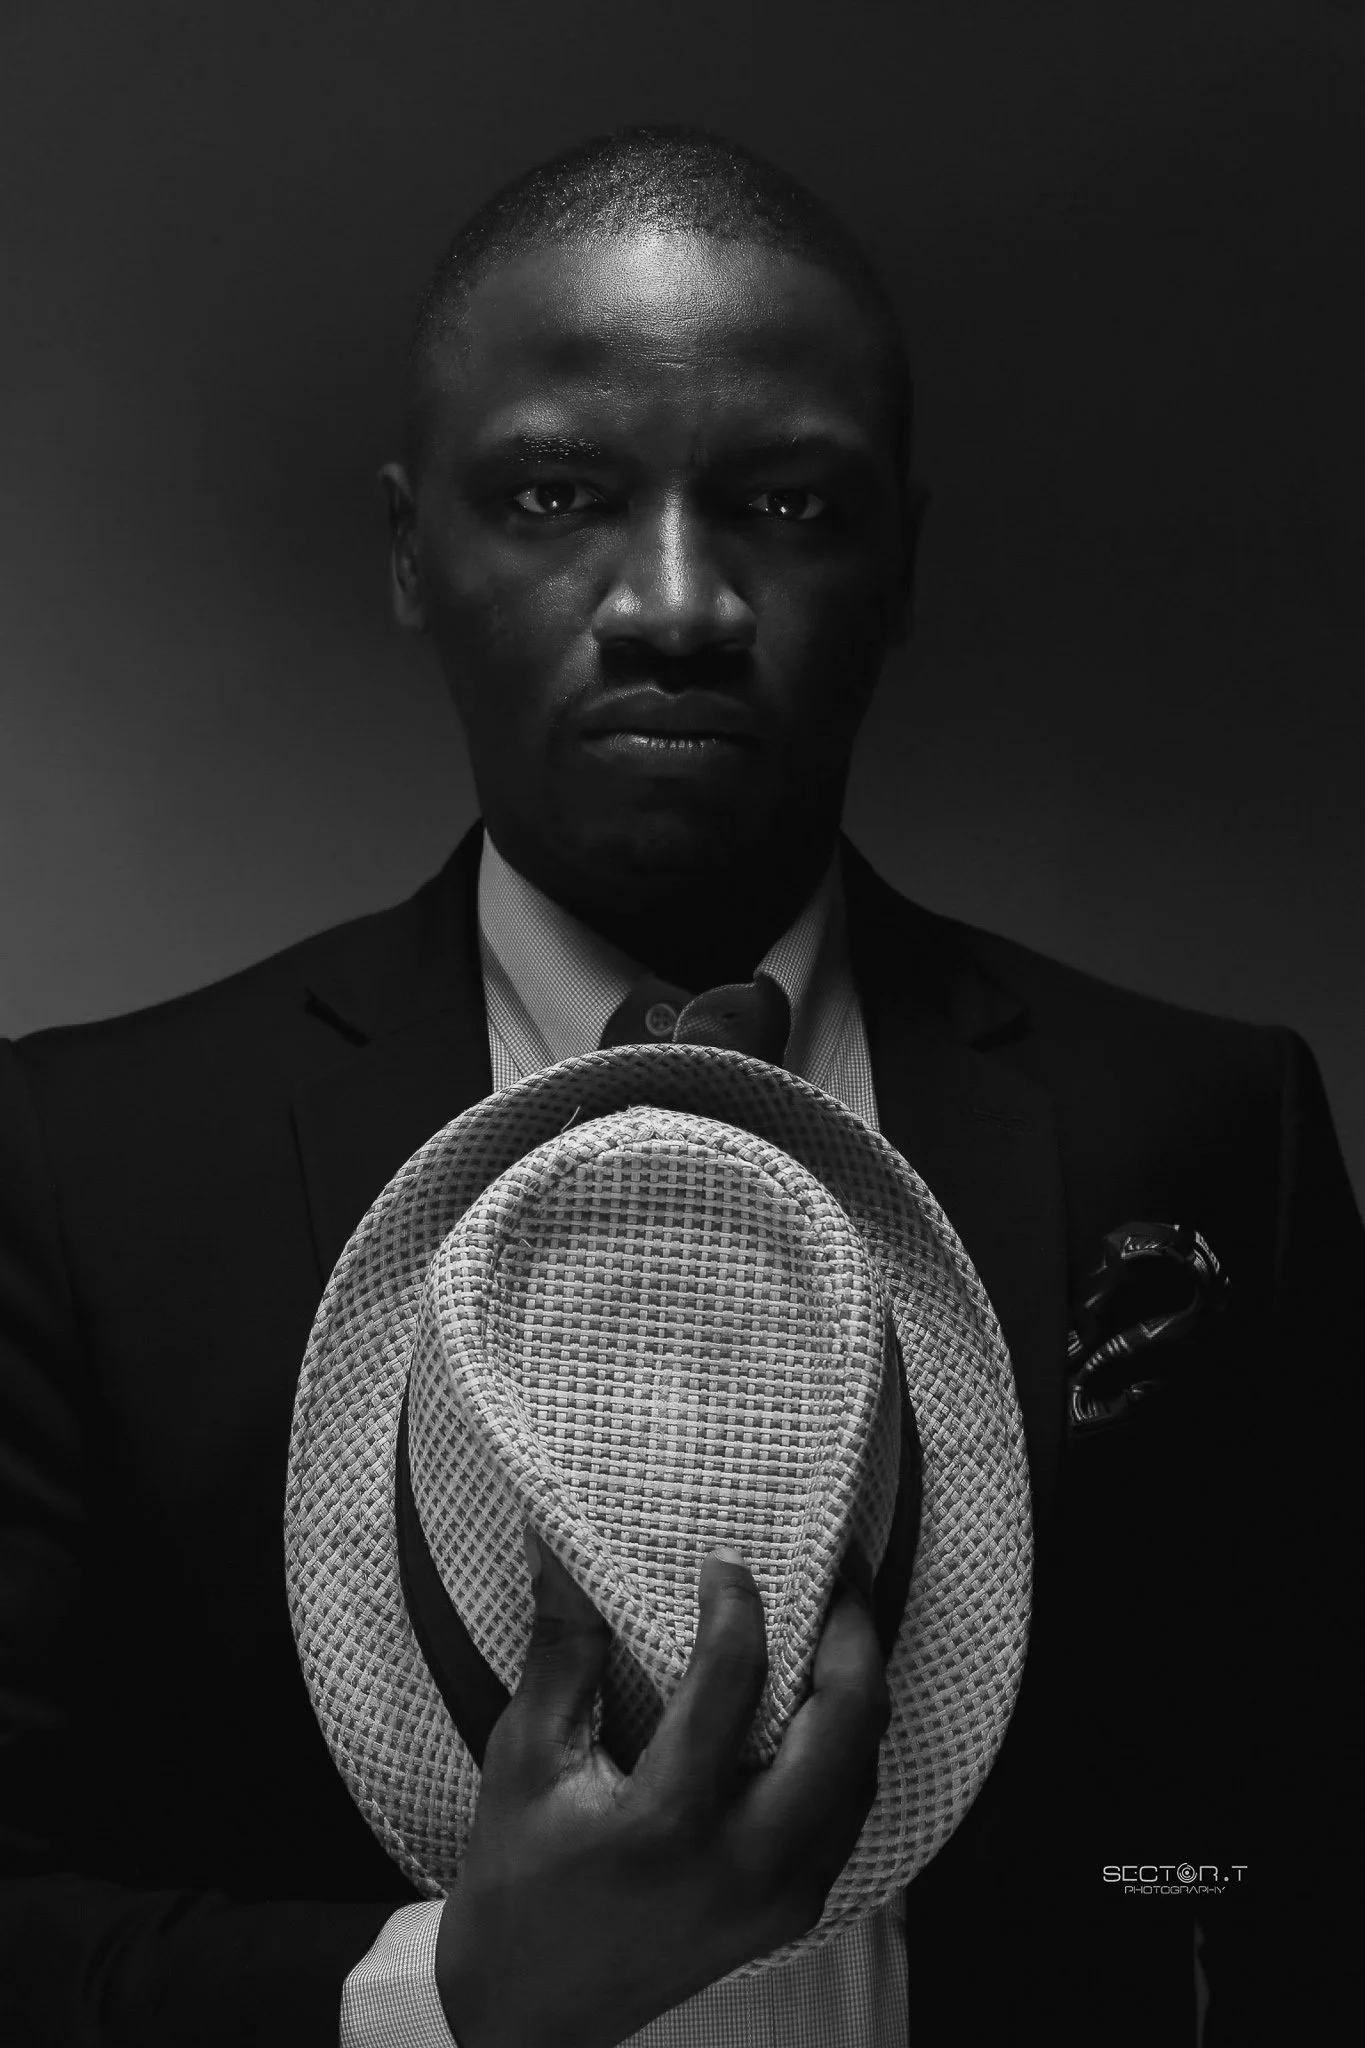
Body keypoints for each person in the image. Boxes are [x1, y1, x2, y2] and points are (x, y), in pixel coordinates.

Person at [0, 124, 1356, 2047]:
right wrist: (449, 1995)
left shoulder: (1209, 1125)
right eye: (555, 493)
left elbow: (1311, 1858)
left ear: (903, 561)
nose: (674, 601)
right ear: (409, 550)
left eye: (789, 503)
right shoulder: (84, 1170)